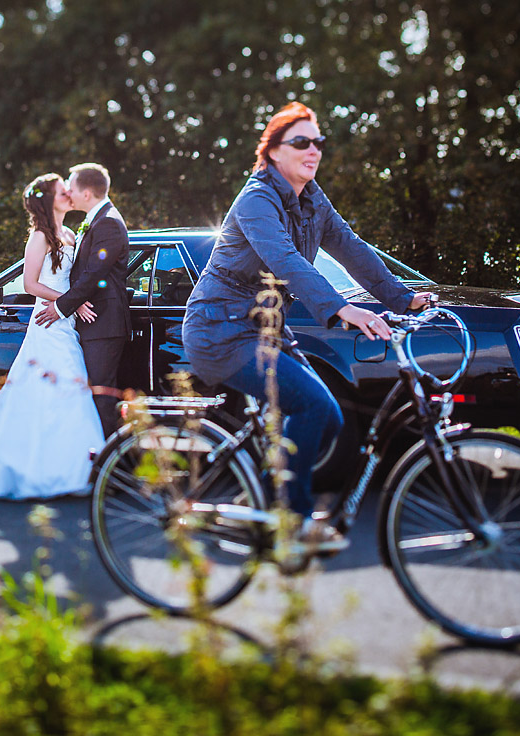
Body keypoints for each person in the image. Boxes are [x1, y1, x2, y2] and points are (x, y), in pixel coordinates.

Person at [182, 102, 434, 556]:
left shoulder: (312, 196)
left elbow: (352, 248)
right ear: (273, 151)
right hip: (220, 328)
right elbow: (285, 258)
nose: (313, 149)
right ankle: (289, 520)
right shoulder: (256, 199)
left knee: (330, 415)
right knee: (315, 404)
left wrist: (402, 297)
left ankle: (256, 500)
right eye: (301, 142)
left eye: (318, 141)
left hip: (266, 325)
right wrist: (340, 310)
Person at [0, 173, 105, 499]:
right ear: (47, 200)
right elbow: (29, 285)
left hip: (63, 321)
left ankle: (70, 469)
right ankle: (44, 471)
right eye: (61, 190)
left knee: (69, 391)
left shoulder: (68, 234)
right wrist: (69, 304)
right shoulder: (39, 237)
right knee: (47, 391)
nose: (68, 191)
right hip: (48, 323)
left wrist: (72, 304)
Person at [34, 162, 131, 437]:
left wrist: (62, 306)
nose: (69, 193)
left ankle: (106, 462)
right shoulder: (99, 220)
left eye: (72, 188)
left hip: (103, 322)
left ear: (86, 193)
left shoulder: (109, 222)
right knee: (93, 392)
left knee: (102, 393)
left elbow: (94, 275)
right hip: (93, 321)